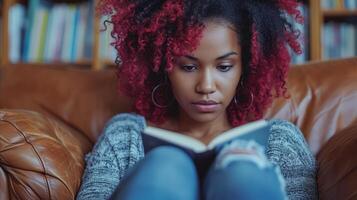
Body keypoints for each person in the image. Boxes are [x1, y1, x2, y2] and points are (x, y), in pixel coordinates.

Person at [77, 0, 317, 199]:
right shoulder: (125, 137)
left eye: (224, 66)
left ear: (246, 67)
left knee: (242, 168)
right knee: (166, 164)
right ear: (164, 67)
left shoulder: (281, 141)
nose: (206, 86)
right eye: (189, 67)